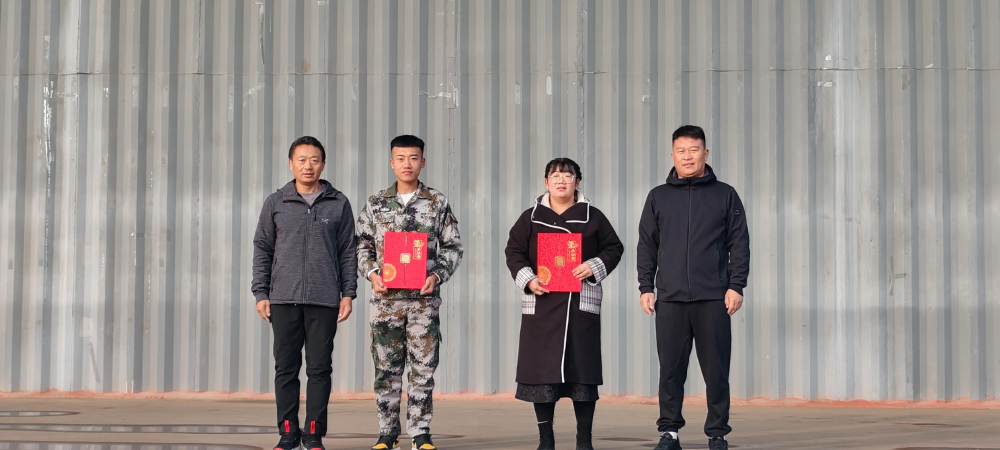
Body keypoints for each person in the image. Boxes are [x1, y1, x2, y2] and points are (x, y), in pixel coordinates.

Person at [637, 125, 751, 450]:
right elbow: (647, 244)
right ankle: (669, 432)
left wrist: (736, 285)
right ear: (672, 155)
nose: (687, 156)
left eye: (694, 150)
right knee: (670, 371)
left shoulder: (725, 194)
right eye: (681, 151)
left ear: (705, 153)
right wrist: (646, 285)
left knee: (716, 371)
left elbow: (739, 243)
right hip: (670, 298)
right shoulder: (658, 196)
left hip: (713, 297)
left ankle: (717, 434)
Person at [504, 158, 624, 450]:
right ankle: (546, 440)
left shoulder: (593, 216)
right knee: (541, 374)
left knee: (582, 372)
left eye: (567, 176)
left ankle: (584, 441)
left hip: (579, 304)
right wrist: (529, 280)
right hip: (542, 303)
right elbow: (514, 251)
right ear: (546, 182)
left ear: (577, 182)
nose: (561, 181)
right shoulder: (530, 218)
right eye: (555, 176)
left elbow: (614, 248)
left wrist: (593, 266)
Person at [356, 135, 464, 450]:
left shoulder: (436, 202)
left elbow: (453, 246)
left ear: (423, 162)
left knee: (423, 370)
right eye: (401, 158)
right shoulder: (376, 203)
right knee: (386, 370)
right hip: (385, 303)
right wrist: (372, 274)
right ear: (392, 162)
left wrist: (436, 275)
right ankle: (387, 434)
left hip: (423, 303)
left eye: (413, 158)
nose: (407, 164)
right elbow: (361, 244)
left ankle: (420, 433)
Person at [252, 136, 359, 450]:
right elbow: (262, 249)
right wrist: (261, 292)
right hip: (283, 298)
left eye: (314, 160)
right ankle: (287, 433)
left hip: (323, 299)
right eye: (301, 159)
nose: (308, 166)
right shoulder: (276, 202)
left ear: (323, 164)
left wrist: (348, 293)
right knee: (286, 368)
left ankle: (313, 434)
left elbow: (348, 251)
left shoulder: (338, 203)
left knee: (319, 369)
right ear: (291, 163)